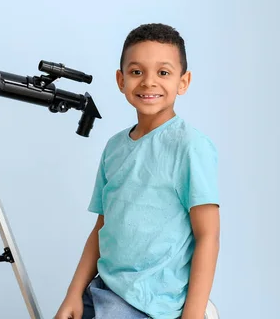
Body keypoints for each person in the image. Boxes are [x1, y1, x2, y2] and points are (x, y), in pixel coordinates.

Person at [54, 23, 220, 319]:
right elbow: (101, 228)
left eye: (163, 72)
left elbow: (207, 235)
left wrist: (192, 314)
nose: (148, 83)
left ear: (183, 82)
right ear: (121, 80)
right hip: (104, 290)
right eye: (136, 72)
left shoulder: (190, 147)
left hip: (154, 302)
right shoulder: (115, 147)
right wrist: (73, 294)